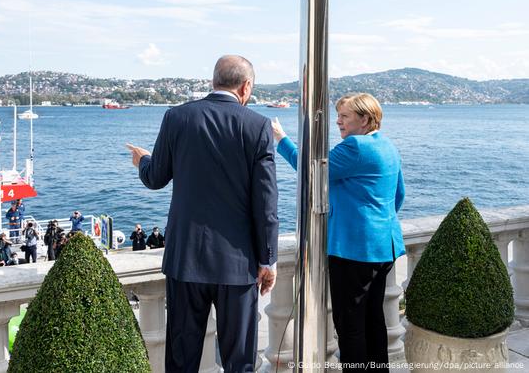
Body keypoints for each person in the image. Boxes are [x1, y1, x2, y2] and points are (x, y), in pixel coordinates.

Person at [126, 55, 278, 371]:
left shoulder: (177, 117)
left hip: (185, 261)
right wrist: (268, 259)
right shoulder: (257, 126)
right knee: (240, 361)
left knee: (182, 360)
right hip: (238, 264)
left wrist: (142, 160)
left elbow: (155, 178)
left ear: (213, 81)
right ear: (246, 86)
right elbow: (266, 204)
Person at [272, 93, 405, 372]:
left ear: (365, 119)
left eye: (344, 116)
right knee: (373, 319)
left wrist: (281, 138)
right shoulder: (388, 146)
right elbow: (398, 195)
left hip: (355, 249)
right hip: (385, 246)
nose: (338, 122)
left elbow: (310, 170)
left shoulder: (355, 147)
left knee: (350, 325)